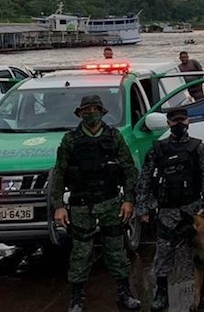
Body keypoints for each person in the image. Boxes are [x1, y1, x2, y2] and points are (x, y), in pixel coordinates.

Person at [49, 95, 141, 312]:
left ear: (102, 111)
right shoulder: (70, 140)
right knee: (81, 251)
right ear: (80, 114)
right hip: (81, 203)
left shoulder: (114, 137)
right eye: (86, 110)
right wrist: (58, 206)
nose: (91, 113)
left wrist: (129, 199)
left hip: (110, 201)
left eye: (95, 109)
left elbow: (129, 169)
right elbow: (60, 173)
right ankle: (77, 297)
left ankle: (125, 292)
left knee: (116, 250)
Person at [136, 107, 204, 311]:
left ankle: (203, 292)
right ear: (168, 123)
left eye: (182, 120)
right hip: (167, 210)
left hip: (193, 210)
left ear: (188, 121)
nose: (179, 124)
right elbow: (145, 178)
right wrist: (142, 208)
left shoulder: (198, 148)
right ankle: (161, 293)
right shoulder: (158, 149)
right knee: (163, 253)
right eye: (174, 121)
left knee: (199, 252)